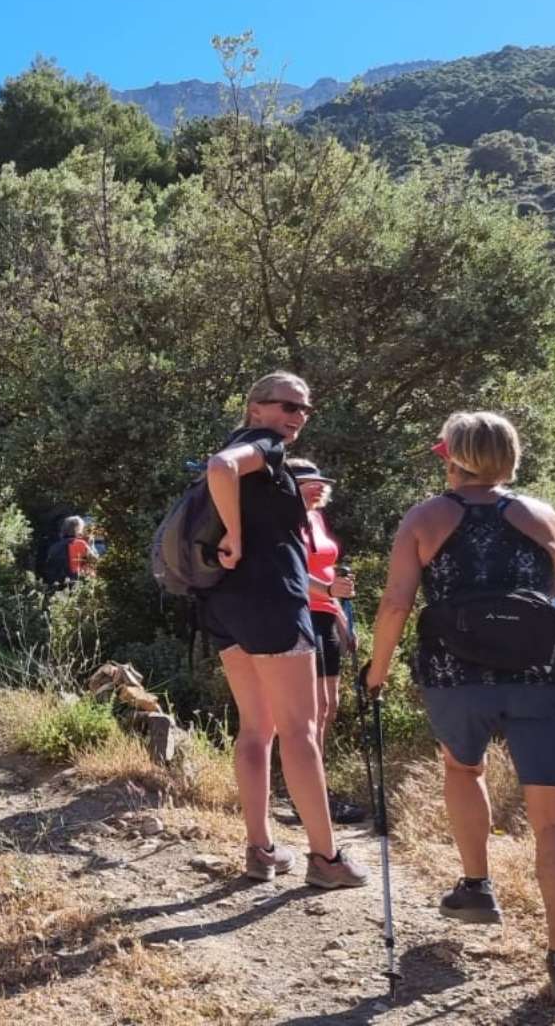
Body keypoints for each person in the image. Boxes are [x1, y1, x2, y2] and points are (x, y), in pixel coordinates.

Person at [365, 411, 555, 1003]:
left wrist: (377, 670)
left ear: (450, 456)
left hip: (454, 675)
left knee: (461, 768)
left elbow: (397, 603)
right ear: (509, 455)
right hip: (542, 677)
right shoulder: (541, 515)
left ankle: (476, 885)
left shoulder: (425, 518)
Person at [201, 372, 369, 888]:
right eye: (286, 406)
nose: (296, 416)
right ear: (255, 407)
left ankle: (261, 850)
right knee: (300, 731)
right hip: (273, 602)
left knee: (256, 728)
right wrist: (234, 532)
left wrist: (238, 532)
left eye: (304, 409)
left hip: (223, 601)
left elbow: (225, 470)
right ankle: (326, 859)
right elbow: (221, 468)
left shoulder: (244, 447)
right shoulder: (261, 446)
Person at [285, 458, 365, 824]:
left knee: (328, 706)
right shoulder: (284, 519)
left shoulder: (316, 517)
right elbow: (292, 571)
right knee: (310, 710)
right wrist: (329, 590)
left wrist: (343, 618)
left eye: (320, 481)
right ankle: (306, 795)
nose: (319, 487)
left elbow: (328, 571)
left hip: (326, 615)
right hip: (297, 614)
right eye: (308, 482)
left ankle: (316, 787)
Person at [44, 516, 97, 585]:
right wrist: (91, 545)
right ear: (78, 529)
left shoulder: (54, 546)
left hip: (58, 583)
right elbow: (95, 561)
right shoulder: (81, 544)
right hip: (77, 582)